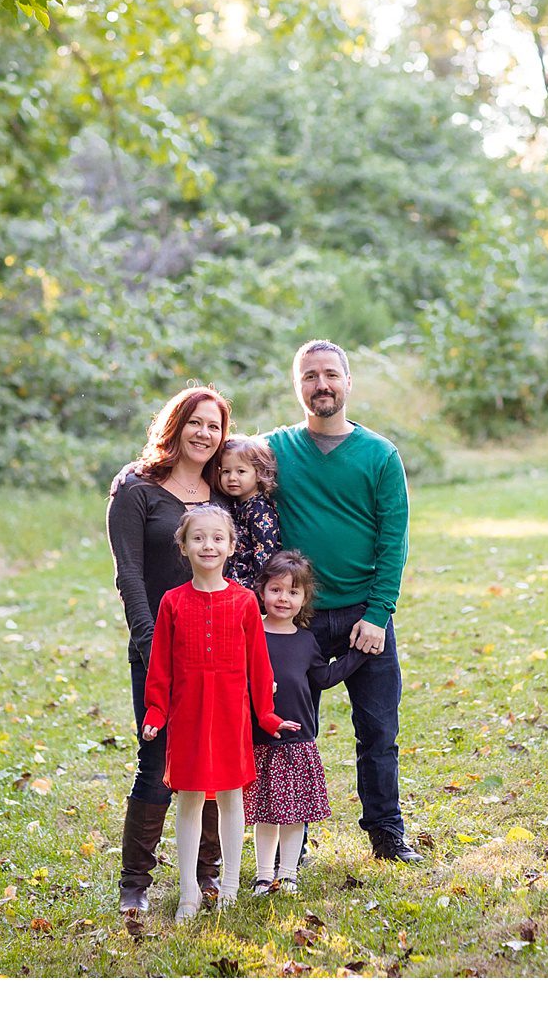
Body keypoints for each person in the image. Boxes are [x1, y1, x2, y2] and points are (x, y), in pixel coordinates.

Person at [264, 340, 423, 863]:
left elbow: (393, 541)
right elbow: (214, 462)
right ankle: (292, 843)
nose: (321, 384)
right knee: (288, 734)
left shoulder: (380, 455)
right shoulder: (274, 450)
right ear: (297, 387)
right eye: (309, 376)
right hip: (295, 619)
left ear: (348, 383)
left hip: (363, 615)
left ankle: (386, 835)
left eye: (331, 374)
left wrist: (378, 615)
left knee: (378, 730)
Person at [107, 385, 232, 914]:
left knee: (212, 756)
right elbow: (129, 575)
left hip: (219, 649)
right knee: (156, 757)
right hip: (159, 647)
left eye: (215, 426)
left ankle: (206, 874)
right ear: (175, 425)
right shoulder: (136, 490)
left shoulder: (223, 493)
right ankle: (135, 881)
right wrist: (149, 642)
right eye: (195, 423)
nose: (204, 434)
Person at [141, 505, 299, 921]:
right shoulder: (172, 603)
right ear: (184, 546)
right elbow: (159, 666)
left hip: (232, 715)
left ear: (231, 546)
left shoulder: (245, 601)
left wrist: (264, 714)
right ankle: (188, 892)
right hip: (188, 715)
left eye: (216, 538)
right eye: (198, 538)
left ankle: (230, 885)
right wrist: (156, 711)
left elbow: (259, 666)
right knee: (190, 799)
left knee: (232, 797)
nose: (207, 545)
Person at [246, 551, 367, 896]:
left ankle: (288, 874)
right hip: (261, 740)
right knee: (267, 813)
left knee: (295, 812)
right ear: (262, 591)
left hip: (298, 740)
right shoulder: (252, 634)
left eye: (293, 592)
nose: (283, 598)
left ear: (304, 600)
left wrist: (357, 654)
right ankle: (263, 874)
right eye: (276, 589)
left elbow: (324, 678)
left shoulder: (305, 640)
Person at [218, 434, 283, 590]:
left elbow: (265, 556)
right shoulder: (236, 505)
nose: (232, 477)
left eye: (241, 471)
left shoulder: (260, 510)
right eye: (226, 471)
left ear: (259, 474)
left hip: (249, 589)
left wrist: (255, 592)